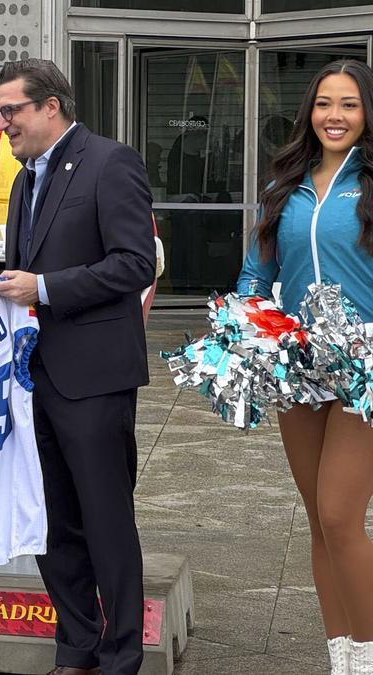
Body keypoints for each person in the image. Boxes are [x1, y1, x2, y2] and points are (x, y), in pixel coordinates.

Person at [0, 59, 156, 675]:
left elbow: (133, 265)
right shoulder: (25, 180)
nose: (1, 123)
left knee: (106, 524)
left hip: (95, 380)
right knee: (52, 524)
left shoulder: (110, 162)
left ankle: (122, 657)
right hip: (34, 382)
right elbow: (15, 280)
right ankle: (75, 651)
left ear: (52, 106)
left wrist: (45, 287)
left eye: (10, 110)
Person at [238, 59, 373, 675]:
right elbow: (255, 275)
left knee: (343, 515)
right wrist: (243, 324)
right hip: (296, 366)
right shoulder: (283, 187)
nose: (335, 116)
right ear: (308, 112)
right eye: (324, 103)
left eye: (348, 104)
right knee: (320, 520)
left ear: (366, 112)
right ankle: (340, 659)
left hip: (363, 368)